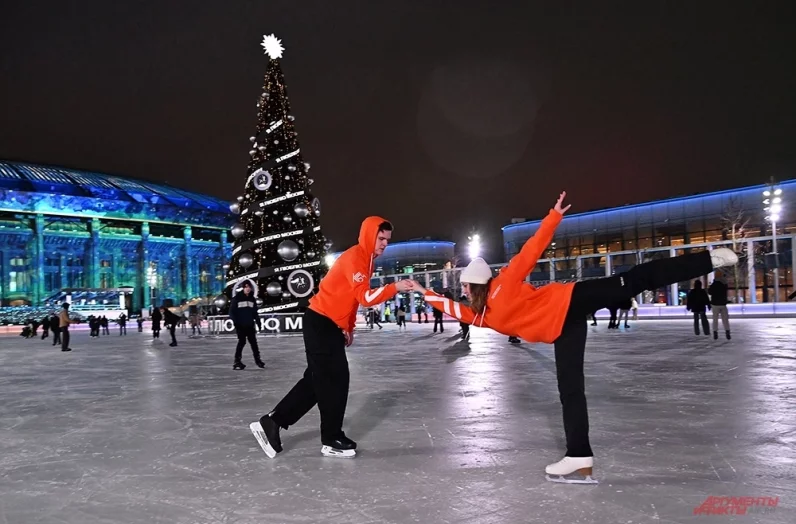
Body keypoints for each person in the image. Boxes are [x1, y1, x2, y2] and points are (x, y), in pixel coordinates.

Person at [408, 192, 738, 484]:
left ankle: (709, 258)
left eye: (466, 286)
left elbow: (531, 250)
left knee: (637, 279)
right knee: (570, 391)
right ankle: (579, 456)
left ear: (477, 284)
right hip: (564, 328)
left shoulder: (505, 282)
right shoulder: (483, 315)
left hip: (573, 299)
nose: (463, 291)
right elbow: (453, 308)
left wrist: (553, 217)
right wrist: (424, 292)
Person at [249, 216, 413, 459]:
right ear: (369, 235)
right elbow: (366, 298)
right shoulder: (356, 258)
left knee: (318, 381)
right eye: (380, 238)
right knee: (335, 380)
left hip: (327, 324)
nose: (384, 244)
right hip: (319, 322)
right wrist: (394, 287)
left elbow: (348, 298)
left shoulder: (366, 259)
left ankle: (273, 422)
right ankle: (331, 438)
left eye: (387, 240)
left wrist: (347, 326)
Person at [229, 280, 264, 370]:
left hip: (250, 325)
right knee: (242, 342)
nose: (248, 289)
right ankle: (237, 361)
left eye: (249, 287)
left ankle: (258, 360)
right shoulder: (237, 298)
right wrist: (236, 323)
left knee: (254, 343)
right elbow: (232, 312)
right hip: (241, 325)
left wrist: (258, 322)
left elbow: (255, 313)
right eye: (246, 287)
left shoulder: (252, 298)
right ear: (243, 288)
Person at [708, 272, 731, 340]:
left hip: (715, 304)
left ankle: (715, 332)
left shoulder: (713, 285)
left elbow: (710, 292)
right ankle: (727, 331)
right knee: (725, 319)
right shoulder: (724, 284)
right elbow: (726, 290)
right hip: (723, 304)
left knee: (715, 319)